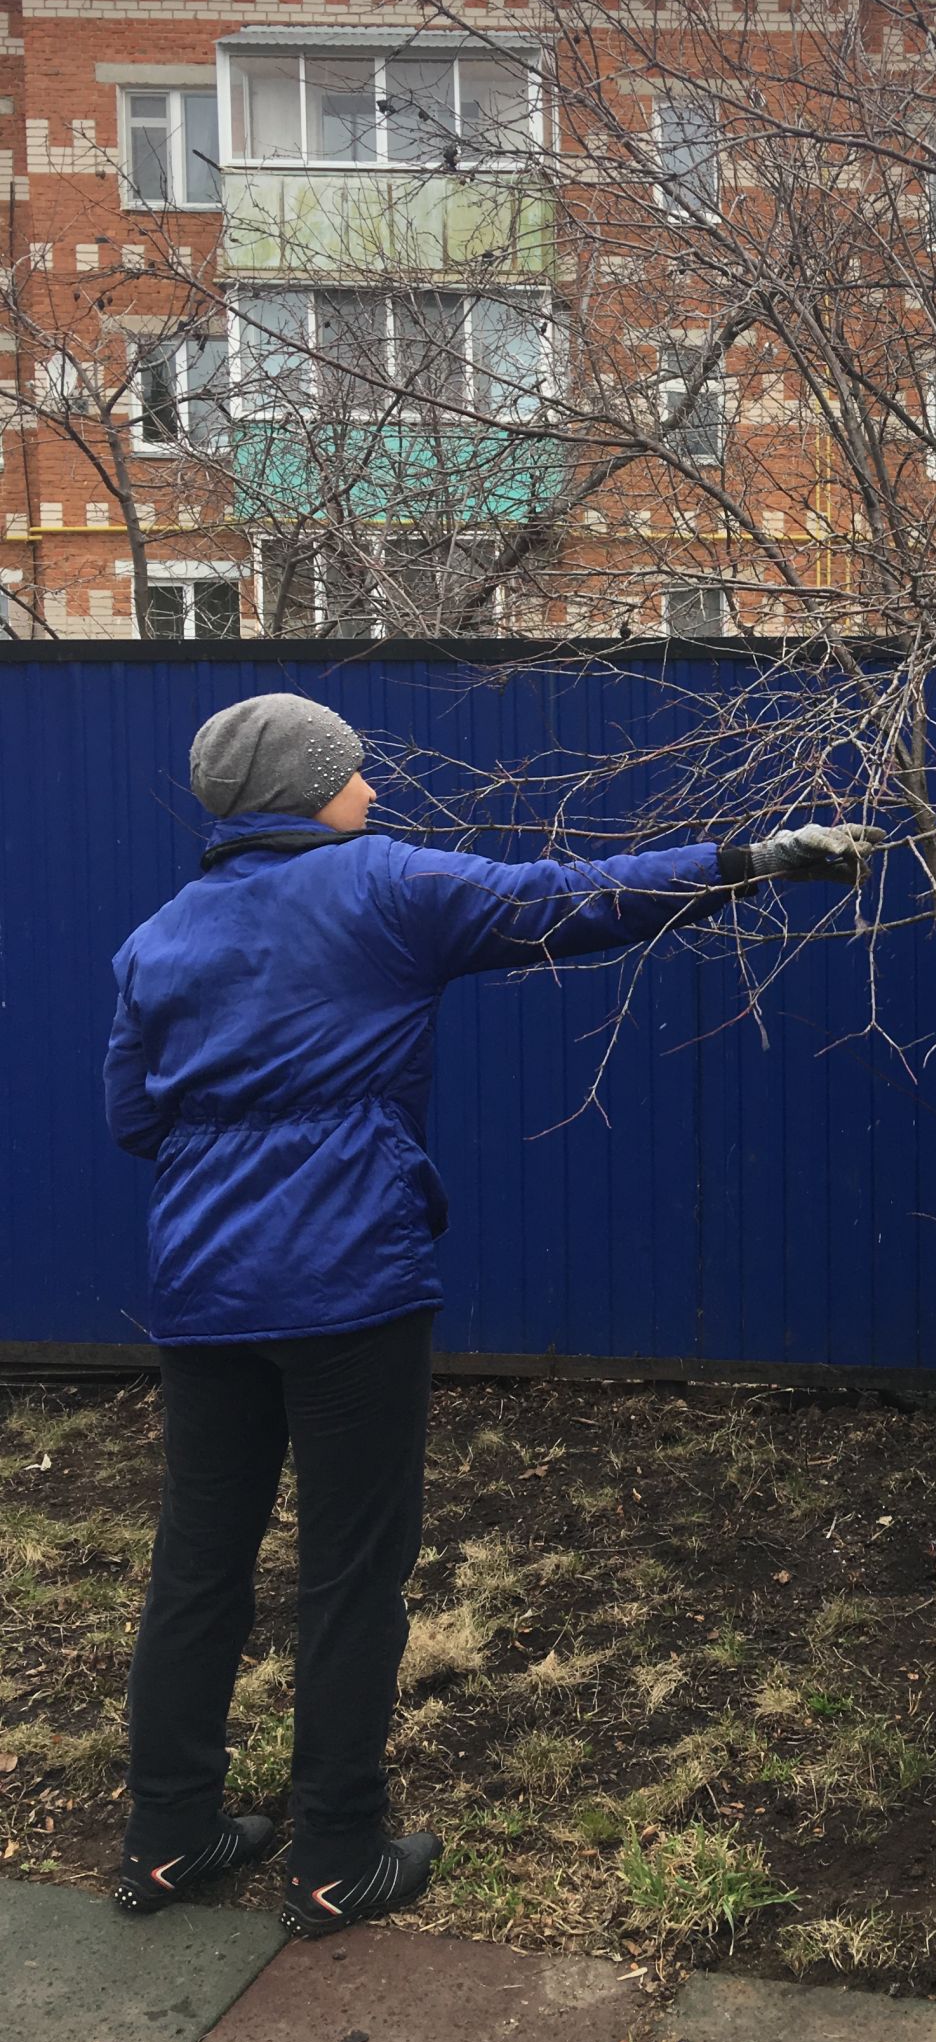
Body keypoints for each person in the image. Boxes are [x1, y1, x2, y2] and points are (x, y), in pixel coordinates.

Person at [104, 692, 880, 1937]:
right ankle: (336, 1853)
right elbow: (569, 898)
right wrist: (747, 861)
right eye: (357, 772)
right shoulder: (382, 885)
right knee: (354, 1569)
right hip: (348, 1279)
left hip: (201, 1287)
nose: (372, 788)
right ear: (313, 791)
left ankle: (167, 1838)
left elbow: (134, 1120)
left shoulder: (157, 938)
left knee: (199, 1559)